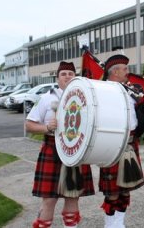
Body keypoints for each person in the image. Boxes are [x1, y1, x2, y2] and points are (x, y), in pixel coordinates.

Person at [26, 61, 95, 228]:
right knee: (49, 199)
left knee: (73, 196)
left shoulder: (84, 98)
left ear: (75, 77)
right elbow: (29, 125)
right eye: (63, 74)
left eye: (71, 74)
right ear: (57, 78)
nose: (67, 76)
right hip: (52, 148)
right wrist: (47, 127)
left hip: (76, 151)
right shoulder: (46, 98)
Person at [99, 54, 144, 228]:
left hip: (131, 142)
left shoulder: (129, 89)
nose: (128, 73)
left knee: (126, 187)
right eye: (125, 69)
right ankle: (110, 224)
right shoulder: (102, 90)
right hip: (113, 143)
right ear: (114, 72)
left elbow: (136, 114)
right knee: (112, 190)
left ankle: (119, 223)